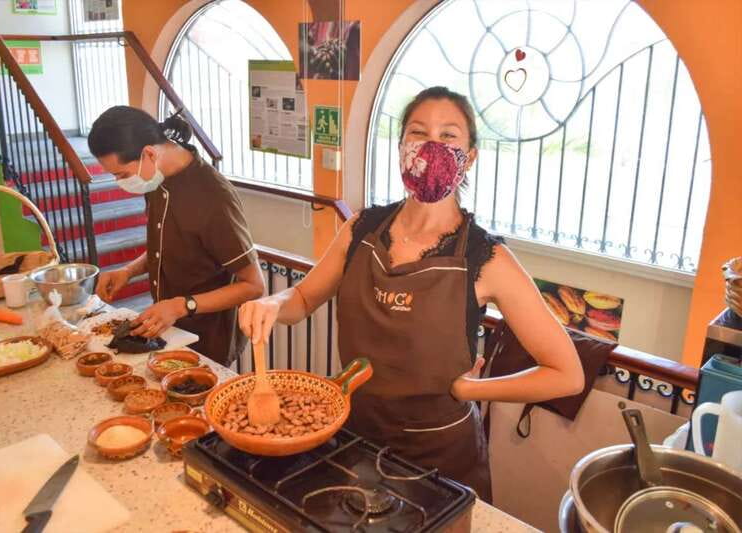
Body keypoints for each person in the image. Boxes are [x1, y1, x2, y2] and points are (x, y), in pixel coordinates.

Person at [238, 87, 583, 501]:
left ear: (470, 157)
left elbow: (566, 374)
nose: (431, 146)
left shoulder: (487, 257)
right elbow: (304, 300)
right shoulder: (361, 228)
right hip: (353, 439)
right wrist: (273, 303)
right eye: (418, 133)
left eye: (448, 136)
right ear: (401, 147)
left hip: (440, 459)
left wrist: (471, 391)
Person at [88, 106, 264, 365]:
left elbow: (254, 285)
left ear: (149, 153)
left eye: (122, 175)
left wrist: (181, 306)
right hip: (166, 331)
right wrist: (128, 271)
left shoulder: (213, 197)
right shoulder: (156, 179)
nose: (120, 183)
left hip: (207, 339)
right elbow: (170, 245)